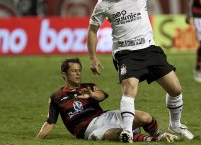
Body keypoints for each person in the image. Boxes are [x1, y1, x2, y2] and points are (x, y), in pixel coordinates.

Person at [87, 0, 201, 142]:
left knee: (175, 89)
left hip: (149, 49)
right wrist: (93, 57)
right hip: (126, 54)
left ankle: (175, 124)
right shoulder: (103, 4)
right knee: (129, 88)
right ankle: (127, 132)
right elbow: (93, 30)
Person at [35, 58, 179, 143]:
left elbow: (102, 95)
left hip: (105, 116)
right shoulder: (57, 97)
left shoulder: (88, 87)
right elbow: (50, 122)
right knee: (119, 133)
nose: (78, 73)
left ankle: (158, 136)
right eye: (74, 71)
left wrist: (91, 95)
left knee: (145, 117)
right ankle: (151, 141)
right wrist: (37, 140)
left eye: (80, 70)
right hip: (87, 129)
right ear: (64, 74)